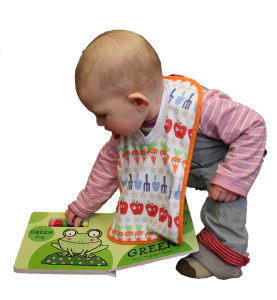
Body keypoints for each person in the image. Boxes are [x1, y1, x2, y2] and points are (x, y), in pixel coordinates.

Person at [65, 28, 268, 280]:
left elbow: (253, 126)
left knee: (223, 211)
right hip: (181, 171)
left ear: (138, 102)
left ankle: (225, 261)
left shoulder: (200, 105)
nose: (97, 122)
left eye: (103, 115)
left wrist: (233, 178)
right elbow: (106, 168)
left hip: (220, 167)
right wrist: (83, 205)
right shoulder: (127, 127)